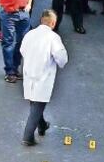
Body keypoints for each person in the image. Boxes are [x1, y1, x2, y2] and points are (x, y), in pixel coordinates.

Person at [19, 10, 68, 146]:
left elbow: (22, 50)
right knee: (38, 105)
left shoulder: (30, 34)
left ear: (41, 20)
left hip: (29, 72)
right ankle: (27, 136)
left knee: (34, 102)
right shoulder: (53, 38)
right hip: (43, 76)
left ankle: (42, 125)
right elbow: (62, 59)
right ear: (53, 23)